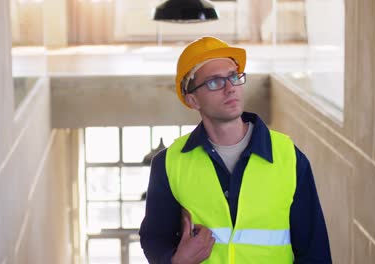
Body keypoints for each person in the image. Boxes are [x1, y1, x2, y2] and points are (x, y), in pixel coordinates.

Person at [139, 36, 332, 264]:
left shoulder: (288, 156)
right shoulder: (169, 163)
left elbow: (314, 250)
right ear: (193, 100)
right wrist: (175, 261)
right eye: (214, 82)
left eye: (234, 76)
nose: (230, 88)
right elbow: (154, 238)